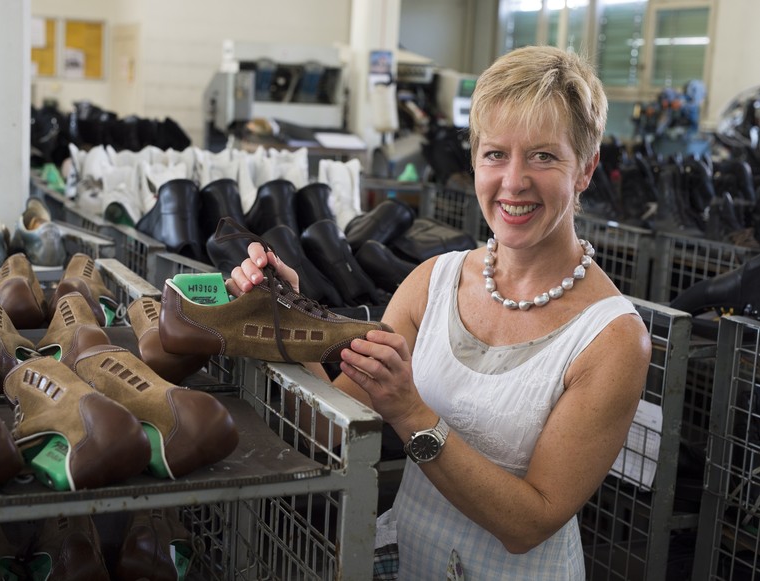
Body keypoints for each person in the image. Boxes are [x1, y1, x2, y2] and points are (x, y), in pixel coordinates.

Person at [225, 45, 652, 580]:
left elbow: (530, 523)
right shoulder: (435, 281)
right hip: (409, 559)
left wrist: (410, 414)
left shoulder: (611, 339)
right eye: (496, 154)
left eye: (544, 156)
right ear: (474, 159)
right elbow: (332, 424)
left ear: (586, 168)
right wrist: (285, 318)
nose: (514, 181)